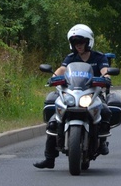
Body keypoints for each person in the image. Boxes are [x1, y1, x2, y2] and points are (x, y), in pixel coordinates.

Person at [34, 24, 111, 169]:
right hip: (72, 94)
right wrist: (53, 77)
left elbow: (104, 70)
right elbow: (62, 69)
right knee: (53, 121)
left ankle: (102, 142)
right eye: (75, 43)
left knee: (105, 111)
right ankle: (49, 158)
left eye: (81, 42)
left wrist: (106, 77)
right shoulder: (71, 57)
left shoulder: (98, 57)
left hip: (92, 93)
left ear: (88, 42)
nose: (78, 46)